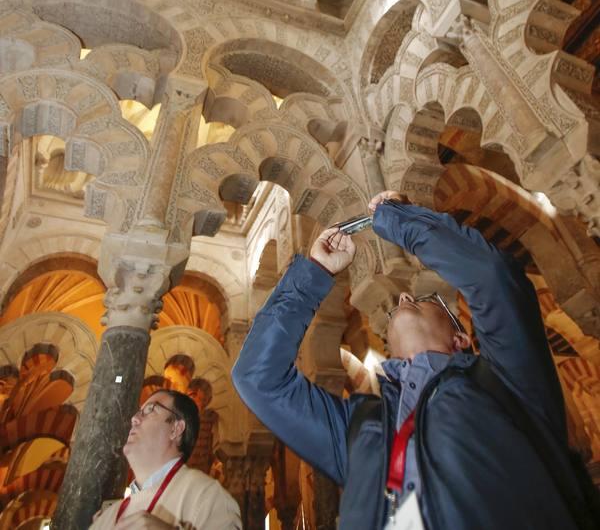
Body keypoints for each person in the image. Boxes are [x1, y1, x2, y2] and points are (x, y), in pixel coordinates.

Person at [232, 191, 596, 529]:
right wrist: (313, 274)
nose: (404, 297)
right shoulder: (361, 428)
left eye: (425, 301)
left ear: (460, 339)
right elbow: (257, 379)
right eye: (408, 300)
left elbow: (492, 278)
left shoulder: (506, 382)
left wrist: (401, 219)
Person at [90, 388, 241, 529]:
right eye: (138, 412)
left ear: (175, 429)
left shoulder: (207, 496)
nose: (134, 419)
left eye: (150, 410)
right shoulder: (108, 517)